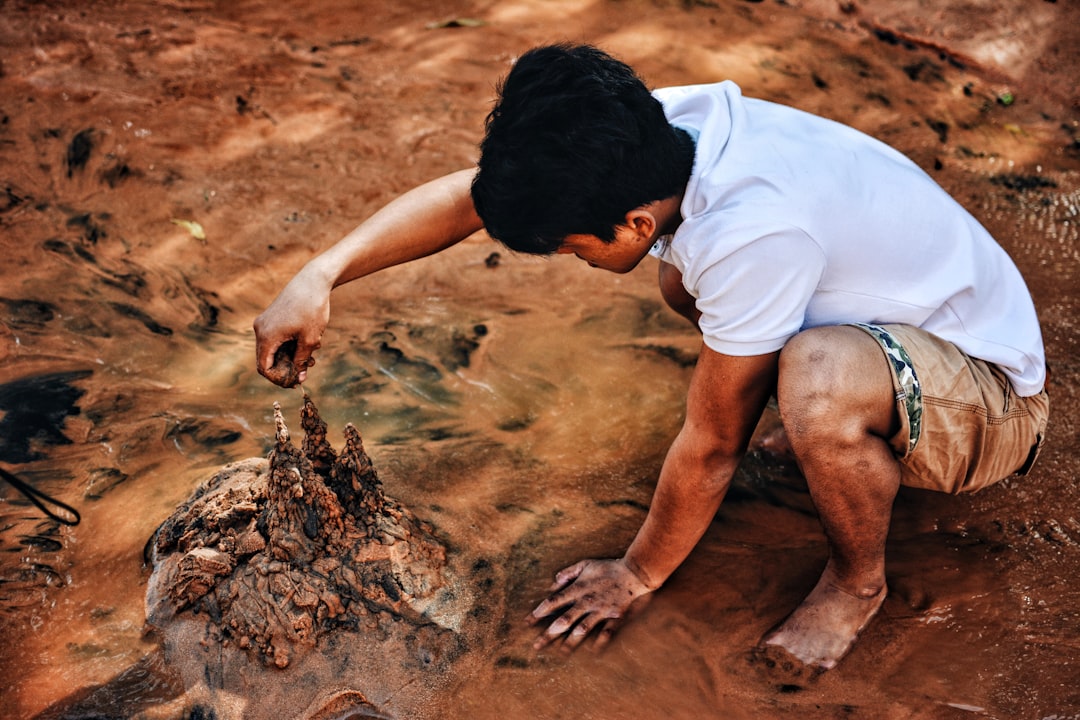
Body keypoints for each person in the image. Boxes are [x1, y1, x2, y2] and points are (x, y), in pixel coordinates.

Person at [254, 44, 1049, 669]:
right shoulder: (655, 131)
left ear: (632, 222)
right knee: (686, 287)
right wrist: (319, 275)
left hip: (993, 399)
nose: (572, 257)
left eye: (571, 246)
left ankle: (857, 580)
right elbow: (474, 196)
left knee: (816, 379)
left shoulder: (751, 234)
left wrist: (637, 573)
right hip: (906, 328)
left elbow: (710, 446)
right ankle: (839, 432)